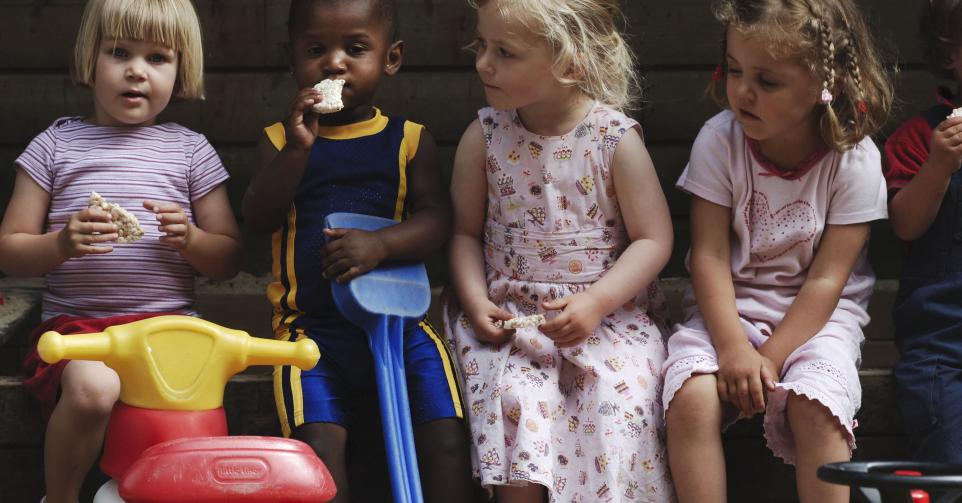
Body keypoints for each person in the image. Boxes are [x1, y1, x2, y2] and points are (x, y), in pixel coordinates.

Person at [0, 0, 242, 501]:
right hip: (79, 330)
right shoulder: (56, 146)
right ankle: (60, 496)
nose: (136, 70)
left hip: (168, 329)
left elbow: (227, 259)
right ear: (91, 60)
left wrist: (192, 240)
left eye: (158, 58)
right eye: (119, 52)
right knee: (95, 389)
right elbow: (10, 251)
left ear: (181, 70)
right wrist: (61, 243)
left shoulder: (190, 150)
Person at [661, 0, 894, 501]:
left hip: (819, 319)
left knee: (817, 408)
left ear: (823, 85)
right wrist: (732, 349)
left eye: (767, 81)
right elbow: (708, 257)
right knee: (691, 399)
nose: (743, 91)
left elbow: (829, 280)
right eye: (735, 69)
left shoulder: (854, 161)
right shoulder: (719, 142)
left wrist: (768, 357)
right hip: (729, 309)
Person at [443, 0, 676, 501]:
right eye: (481, 45)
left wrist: (595, 303)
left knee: (622, 400)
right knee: (516, 399)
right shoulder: (484, 138)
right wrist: (474, 300)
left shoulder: (613, 141)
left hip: (608, 317)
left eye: (504, 52)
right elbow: (463, 234)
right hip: (510, 318)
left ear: (572, 65)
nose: (484, 63)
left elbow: (654, 240)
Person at [240, 1, 473, 501]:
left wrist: (382, 244)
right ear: (291, 59)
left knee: (449, 438)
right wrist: (300, 151)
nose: (335, 63)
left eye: (356, 48)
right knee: (318, 450)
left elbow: (437, 219)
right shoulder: (279, 141)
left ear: (391, 58)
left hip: (402, 323)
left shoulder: (409, 141)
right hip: (309, 333)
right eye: (316, 50)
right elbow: (257, 218)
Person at [884, 0, 962, 464]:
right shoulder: (922, 137)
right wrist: (938, 166)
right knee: (949, 450)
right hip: (942, 344)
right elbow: (906, 224)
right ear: (950, 53)